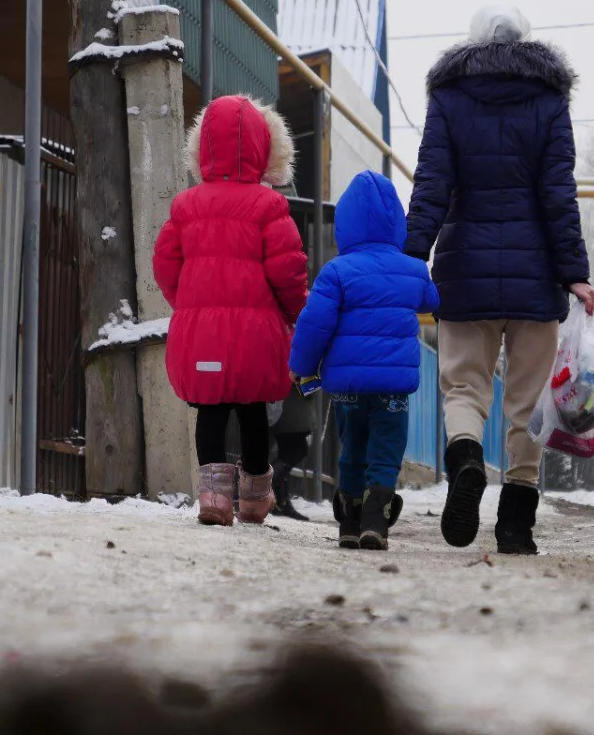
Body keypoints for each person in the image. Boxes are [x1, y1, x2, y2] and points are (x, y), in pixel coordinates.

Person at [405, 5, 594, 556]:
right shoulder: (549, 100)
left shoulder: (448, 98)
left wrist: (412, 254)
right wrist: (575, 274)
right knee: (528, 402)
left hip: (464, 271)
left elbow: (432, 184)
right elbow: (558, 194)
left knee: (464, 387)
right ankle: (516, 522)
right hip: (536, 279)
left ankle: (465, 457)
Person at [153, 95, 307, 526]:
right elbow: (288, 269)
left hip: (201, 330)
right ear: (263, 148)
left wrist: (188, 306)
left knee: (211, 409)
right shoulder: (269, 206)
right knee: (254, 410)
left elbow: (165, 264)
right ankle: (256, 498)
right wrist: (294, 312)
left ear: (202, 147)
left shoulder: (186, 206)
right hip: (257, 333)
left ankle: (215, 501)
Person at [290, 170, 439, 550]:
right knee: (386, 449)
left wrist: (303, 366)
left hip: (349, 388)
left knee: (352, 446)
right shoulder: (412, 269)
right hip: (393, 387)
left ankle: (349, 523)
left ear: (346, 223)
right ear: (396, 223)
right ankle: (377, 518)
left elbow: (314, 324)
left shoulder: (336, 271)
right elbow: (432, 301)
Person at [268, 388, 313, 522]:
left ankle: (281, 501)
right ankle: (269, 486)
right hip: (289, 401)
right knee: (296, 450)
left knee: (288, 451)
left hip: (286, 401)